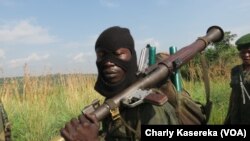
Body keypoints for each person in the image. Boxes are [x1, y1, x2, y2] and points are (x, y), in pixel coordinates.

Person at [60, 26, 206, 141]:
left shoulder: (152, 110)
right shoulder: (113, 102)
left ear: (131, 56)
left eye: (118, 54)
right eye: (102, 55)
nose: (109, 62)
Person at [224, 33, 250, 124]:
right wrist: (229, 116)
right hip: (237, 117)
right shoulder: (235, 70)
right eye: (243, 52)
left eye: (249, 52)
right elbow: (234, 94)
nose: (246, 55)